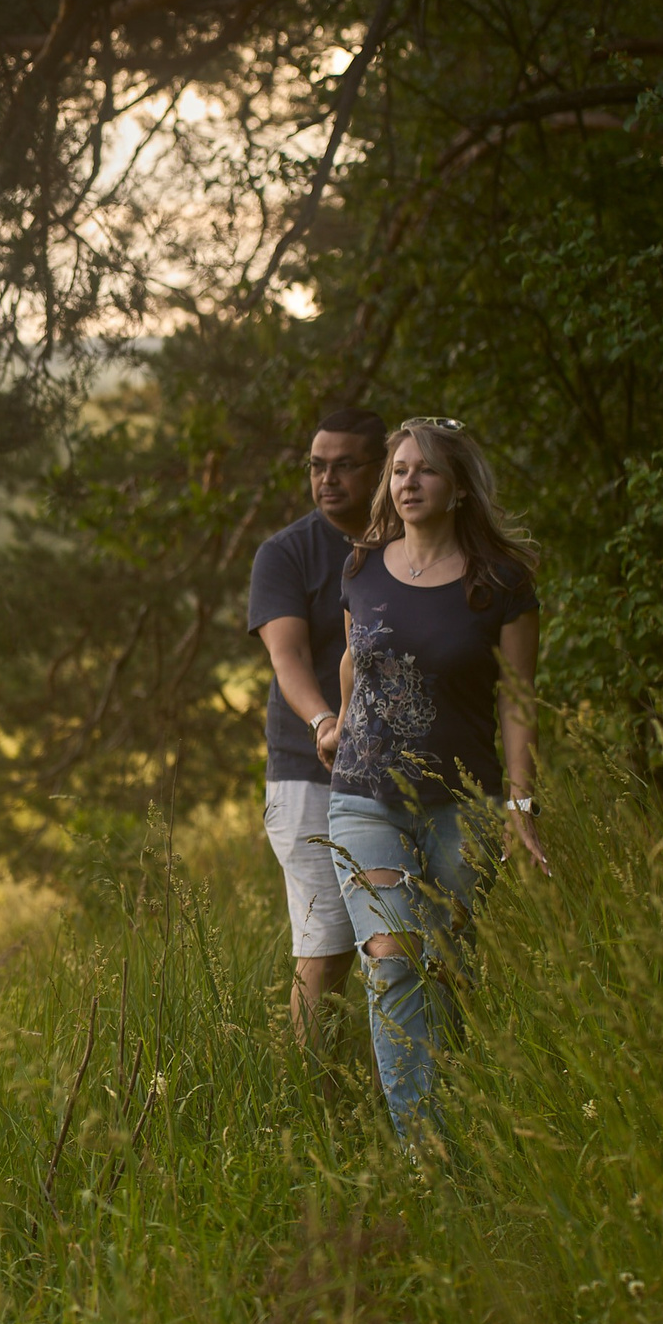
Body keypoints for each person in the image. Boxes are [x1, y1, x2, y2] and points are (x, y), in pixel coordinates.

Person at [321, 417, 544, 1141]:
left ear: (456, 488)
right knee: (392, 962)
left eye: (424, 471)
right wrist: (343, 722)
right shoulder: (362, 566)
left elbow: (516, 698)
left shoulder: (501, 584)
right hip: (364, 798)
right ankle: (427, 1157)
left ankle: (464, 1112)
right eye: (398, 471)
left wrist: (520, 804)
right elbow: (357, 656)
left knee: (447, 972)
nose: (407, 483)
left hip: (462, 803)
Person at [247, 406, 387, 1056]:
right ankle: (310, 1093)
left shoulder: (407, 539)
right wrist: (325, 721)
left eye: (343, 465)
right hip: (310, 770)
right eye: (315, 465)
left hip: (403, 767)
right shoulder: (286, 553)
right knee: (327, 948)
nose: (326, 478)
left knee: (403, 940)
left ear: (380, 467)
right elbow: (288, 658)